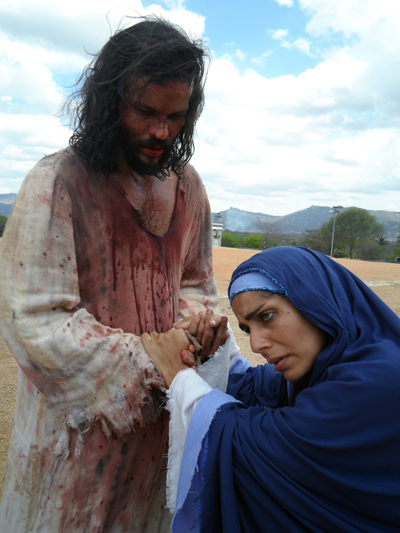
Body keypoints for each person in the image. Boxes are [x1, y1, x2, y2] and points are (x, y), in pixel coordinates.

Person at [0, 17, 226, 533]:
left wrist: (196, 327)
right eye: (145, 111)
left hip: (159, 440)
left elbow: (196, 284)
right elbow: (33, 320)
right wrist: (145, 356)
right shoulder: (58, 181)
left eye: (176, 115)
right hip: (74, 444)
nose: (161, 131)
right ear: (110, 99)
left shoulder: (189, 187)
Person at [144, 246, 400, 532]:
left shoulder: (376, 380)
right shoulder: (326, 364)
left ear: (315, 300)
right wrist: (211, 351)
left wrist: (178, 375)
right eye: (246, 329)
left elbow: (254, 443)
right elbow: (252, 386)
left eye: (266, 317)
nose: (256, 345)